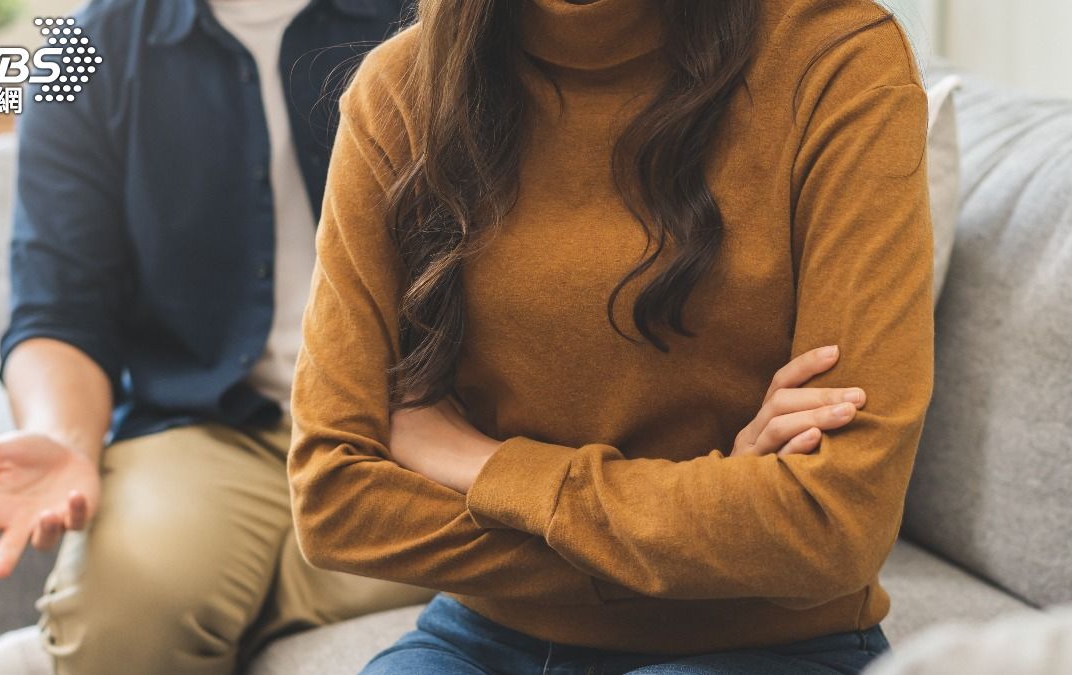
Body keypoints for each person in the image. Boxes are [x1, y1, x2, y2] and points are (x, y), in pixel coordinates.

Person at [288, 0, 935, 673]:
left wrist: (484, 464)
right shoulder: (401, 91)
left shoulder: (839, 60)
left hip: (764, 641)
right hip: (486, 630)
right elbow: (336, 498)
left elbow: (834, 523)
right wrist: (708, 516)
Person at [0, 0, 431, 673]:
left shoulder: (429, 18)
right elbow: (58, 309)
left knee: (508, 558)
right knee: (130, 608)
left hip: (414, 420)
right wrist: (61, 436)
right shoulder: (82, 47)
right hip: (206, 426)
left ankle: (154, 629)